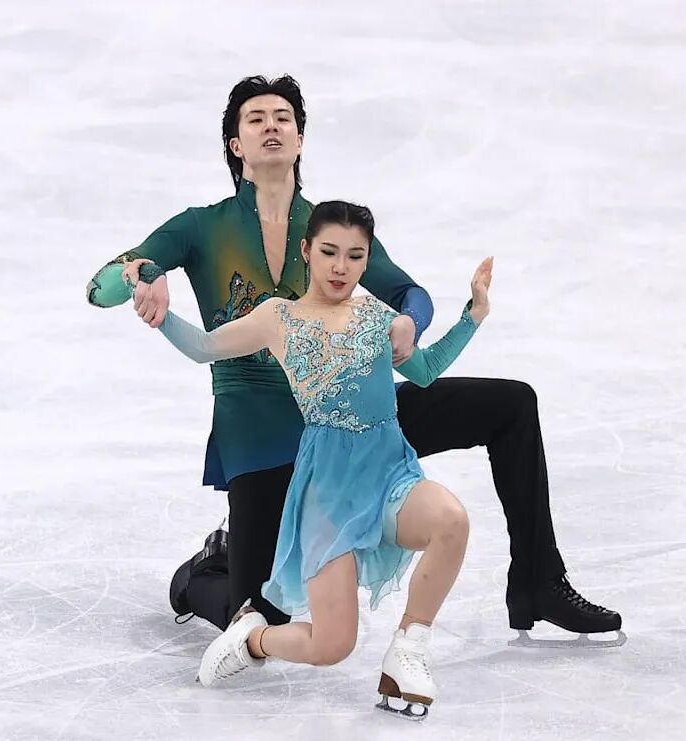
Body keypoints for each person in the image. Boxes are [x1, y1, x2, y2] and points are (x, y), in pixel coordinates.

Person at [85, 74, 620, 638]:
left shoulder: (327, 227)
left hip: (347, 414)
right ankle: (202, 573)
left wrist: (410, 322)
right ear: (236, 145)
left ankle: (539, 581)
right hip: (261, 430)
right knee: (261, 618)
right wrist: (145, 273)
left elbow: (409, 292)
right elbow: (101, 288)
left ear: (300, 140)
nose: (271, 126)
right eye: (256, 119)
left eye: (283, 118)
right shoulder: (201, 227)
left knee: (510, 404)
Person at [128, 200, 489, 718]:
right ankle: (251, 639)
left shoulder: (375, 316)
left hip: (390, 474)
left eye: (355, 256)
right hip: (329, 495)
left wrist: (472, 317)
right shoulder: (279, 317)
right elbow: (206, 347)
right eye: (329, 252)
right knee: (331, 645)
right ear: (307, 250)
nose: (341, 267)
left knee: (450, 521)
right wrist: (162, 318)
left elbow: (425, 371)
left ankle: (408, 649)